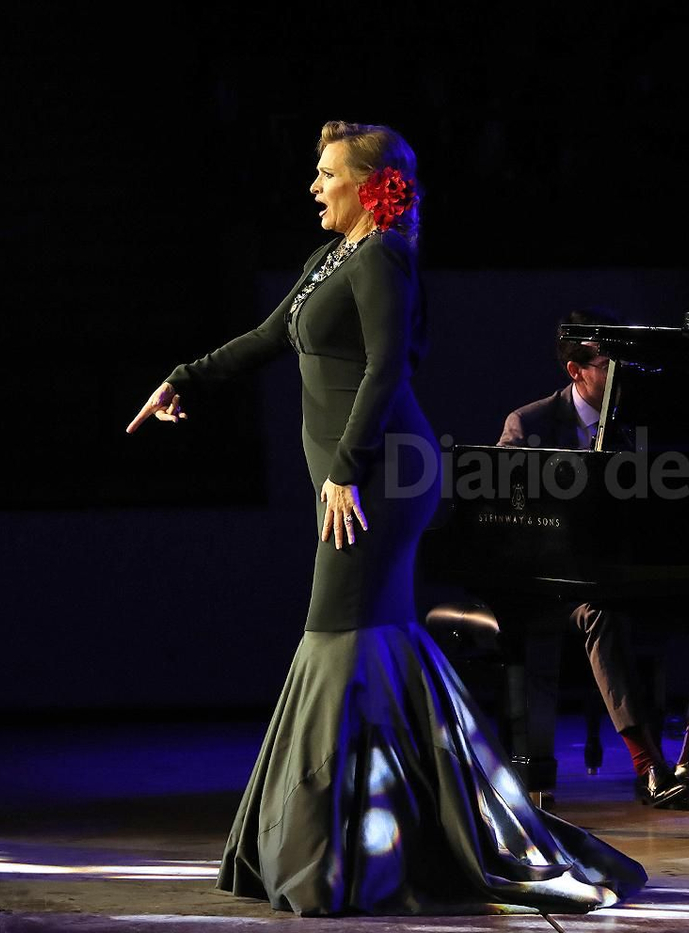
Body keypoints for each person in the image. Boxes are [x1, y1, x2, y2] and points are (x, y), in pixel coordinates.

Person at [126, 121, 644, 916]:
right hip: (358, 475)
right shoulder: (328, 258)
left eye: (327, 173)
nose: (314, 186)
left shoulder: (384, 259)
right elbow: (269, 337)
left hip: (379, 476)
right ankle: (420, 825)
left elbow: (386, 368)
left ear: (371, 185)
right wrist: (184, 377)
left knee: (337, 636)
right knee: (378, 645)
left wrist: (344, 467)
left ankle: (343, 847)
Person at [497, 310, 687, 807]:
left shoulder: (639, 420)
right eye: (608, 365)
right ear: (576, 371)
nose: (620, 375)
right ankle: (648, 762)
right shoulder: (530, 423)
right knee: (600, 612)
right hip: (553, 585)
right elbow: (505, 515)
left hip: (621, 575)